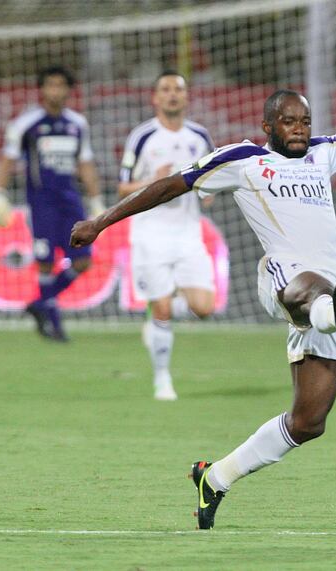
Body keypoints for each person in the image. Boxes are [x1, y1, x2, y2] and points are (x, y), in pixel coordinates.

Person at [70, 87, 336, 530]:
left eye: (305, 122)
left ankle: (214, 477)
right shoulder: (242, 159)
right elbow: (171, 185)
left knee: (309, 422)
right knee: (309, 286)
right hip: (283, 279)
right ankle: (334, 313)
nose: (299, 130)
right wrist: (101, 222)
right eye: (289, 122)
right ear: (268, 126)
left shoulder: (322, 154)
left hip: (325, 296)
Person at [118, 71, 216, 401]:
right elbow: (122, 187)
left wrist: (208, 191)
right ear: (155, 98)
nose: (172, 94)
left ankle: (159, 317)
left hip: (189, 234)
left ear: (186, 98)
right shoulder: (142, 137)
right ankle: (162, 379)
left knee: (203, 307)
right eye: (165, 89)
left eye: (178, 89)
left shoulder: (200, 137)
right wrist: (152, 181)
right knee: (160, 308)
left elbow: (213, 179)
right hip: (150, 233)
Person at [0, 65, 103, 341]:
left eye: (60, 85)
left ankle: (40, 305)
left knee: (83, 262)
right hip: (41, 204)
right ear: (42, 89)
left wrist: (96, 199)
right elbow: (8, 159)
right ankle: (54, 325)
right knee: (45, 263)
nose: (55, 90)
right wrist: (0, 192)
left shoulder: (77, 124)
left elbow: (85, 163)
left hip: (71, 204)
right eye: (50, 84)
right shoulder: (26, 124)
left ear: (68, 89)